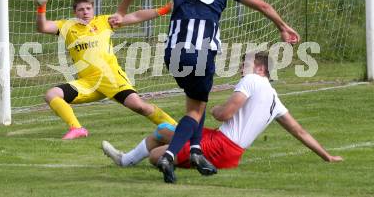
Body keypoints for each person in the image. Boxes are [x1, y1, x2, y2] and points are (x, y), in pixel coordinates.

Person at [110, 0, 301, 183]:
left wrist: (120, 13)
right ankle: (170, 154)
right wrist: (283, 27)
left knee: (195, 103)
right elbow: (263, 5)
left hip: (173, 52)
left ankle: (197, 151)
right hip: (202, 52)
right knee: (196, 109)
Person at [101, 52, 343, 183]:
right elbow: (299, 131)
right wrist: (327, 156)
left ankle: (137, 160)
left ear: (260, 69)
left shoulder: (251, 80)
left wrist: (215, 109)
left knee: (157, 155)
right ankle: (125, 160)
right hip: (230, 150)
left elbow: (224, 114)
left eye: (245, 64)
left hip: (220, 146)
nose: (241, 68)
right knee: (164, 129)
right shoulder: (275, 98)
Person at [30, 0, 177, 140]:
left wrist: (165, 9)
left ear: (93, 9)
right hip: (89, 83)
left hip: (111, 78)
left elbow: (135, 16)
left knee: (139, 106)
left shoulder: (104, 21)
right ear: (75, 12)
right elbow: (43, 27)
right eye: (81, 9)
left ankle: (176, 128)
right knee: (52, 94)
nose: (85, 12)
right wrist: (42, 8)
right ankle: (77, 128)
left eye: (88, 8)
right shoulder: (67, 26)